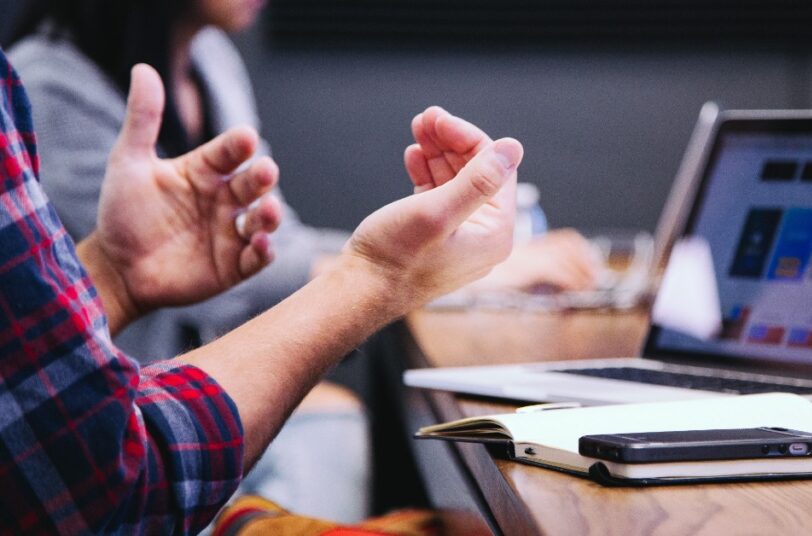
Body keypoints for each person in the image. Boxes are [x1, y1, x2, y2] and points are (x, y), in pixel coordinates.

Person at [8, 2, 598, 518]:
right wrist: (397, 272)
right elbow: (108, 476)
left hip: (152, 424)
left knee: (337, 425)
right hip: (129, 443)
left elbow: (268, 246)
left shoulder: (210, 59)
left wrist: (115, 274)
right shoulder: (46, 85)